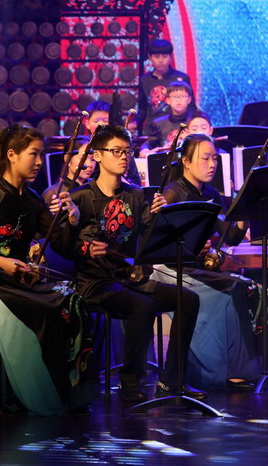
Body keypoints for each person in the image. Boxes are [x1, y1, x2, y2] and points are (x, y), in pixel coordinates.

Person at [0, 124, 96, 416]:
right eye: (33, 154)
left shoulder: (31, 200)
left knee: (71, 301)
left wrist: (72, 219)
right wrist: (0, 261)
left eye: (41, 155)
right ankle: (31, 397)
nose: (39, 162)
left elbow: (61, 244)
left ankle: (67, 392)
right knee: (47, 310)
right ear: (12, 155)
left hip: (18, 282)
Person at [69, 125, 204, 401]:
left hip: (129, 279)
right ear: (97, 155)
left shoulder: (135, 194)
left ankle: (172, 380)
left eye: (127, 152)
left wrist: (159, 217)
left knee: (188, 299)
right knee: (142, 305)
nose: (123, 157)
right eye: (116, 151)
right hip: (96, 284)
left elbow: (149, 239)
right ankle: (131, 381)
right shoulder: (80, 197)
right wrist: (84, 247)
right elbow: (62, 245)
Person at [153, 133, 259, 390]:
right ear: (186, 161)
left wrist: (242, 214)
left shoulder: (210, 193)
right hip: (169, 269)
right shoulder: (172, 193)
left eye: (215, 159)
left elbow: (229, 236)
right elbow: (160, 246)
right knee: (220, 296)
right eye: (205, 158)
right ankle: (207, 375)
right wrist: (192, 248)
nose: (212, 164)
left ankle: (237, 371)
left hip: (194, 268)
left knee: (238, 288)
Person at [135, 38, 194, 134]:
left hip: (178, 128)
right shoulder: (145, 79)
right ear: (150, 57)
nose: (161, 60)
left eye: (165, 56)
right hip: (153, 130)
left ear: (170, 57)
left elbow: (191, 108)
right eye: (156, 57)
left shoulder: (181, 78)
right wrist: (135, 122)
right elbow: (143, 109)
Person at [84, 100, 142, 186]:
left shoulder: (123, 150)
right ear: (87, 123)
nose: (101, 124)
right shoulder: (83, 148)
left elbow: (136, 183)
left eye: (105, 121)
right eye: (96, 121)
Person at [140, 81, 195, 157]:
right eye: (175, 96)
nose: (178, 100)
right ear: (168, 100)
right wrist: (144, 150)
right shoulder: (159, 123)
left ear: (189, 99)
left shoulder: (195, 121)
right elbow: (149, 143)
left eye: (182, 96)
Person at [42, 137, 95, 205]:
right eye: (83, 158)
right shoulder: (53, 193)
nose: (89, 164)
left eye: (93, 159)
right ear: (68, 159)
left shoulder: (96, 187)